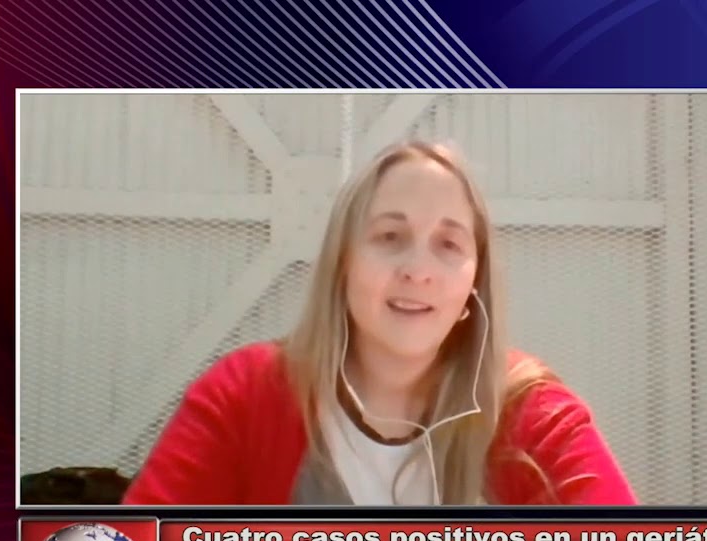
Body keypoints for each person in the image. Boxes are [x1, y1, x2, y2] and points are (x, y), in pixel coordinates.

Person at [123, 141, 638, 506]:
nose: (417, 270)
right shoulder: (246, 395)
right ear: (343, 262)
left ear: (473, 285)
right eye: (390, 237)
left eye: (449, 244)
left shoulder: (532, 414)